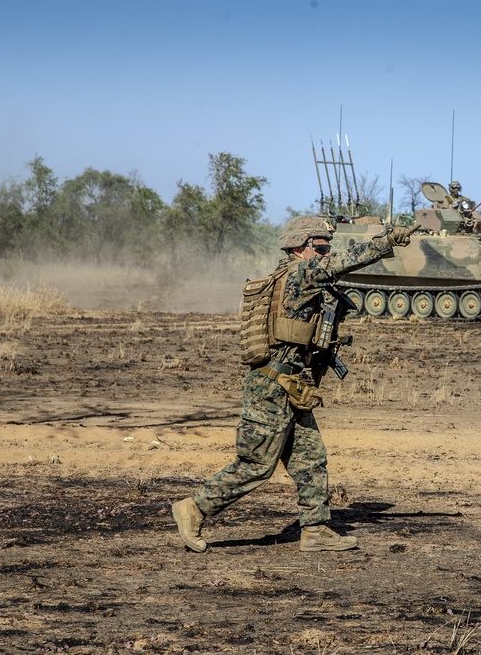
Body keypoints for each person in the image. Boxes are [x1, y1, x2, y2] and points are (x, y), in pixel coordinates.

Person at [172, 217, 417, 553]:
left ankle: (315, 530)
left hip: (292, 384)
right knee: (257, 465)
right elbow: (345, 262)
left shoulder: (298, 276)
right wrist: (386, 242)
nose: (325, 254)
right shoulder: (299, 273)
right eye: (320, 247)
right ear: (300, 247)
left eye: (326, 248)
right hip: (271, 387)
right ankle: (194, 508)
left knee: (310, 458)